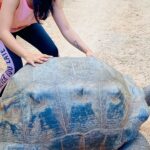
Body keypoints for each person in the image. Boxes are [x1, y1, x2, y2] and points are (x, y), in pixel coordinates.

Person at [0, 0, 96, 96]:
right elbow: (3, 31)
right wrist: (27, 54)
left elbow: (66, 29)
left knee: (51, 52)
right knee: (14, 68)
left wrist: (87, 50)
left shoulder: (53, 1)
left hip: (25, 25)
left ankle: (51, 92)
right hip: (3, 27)